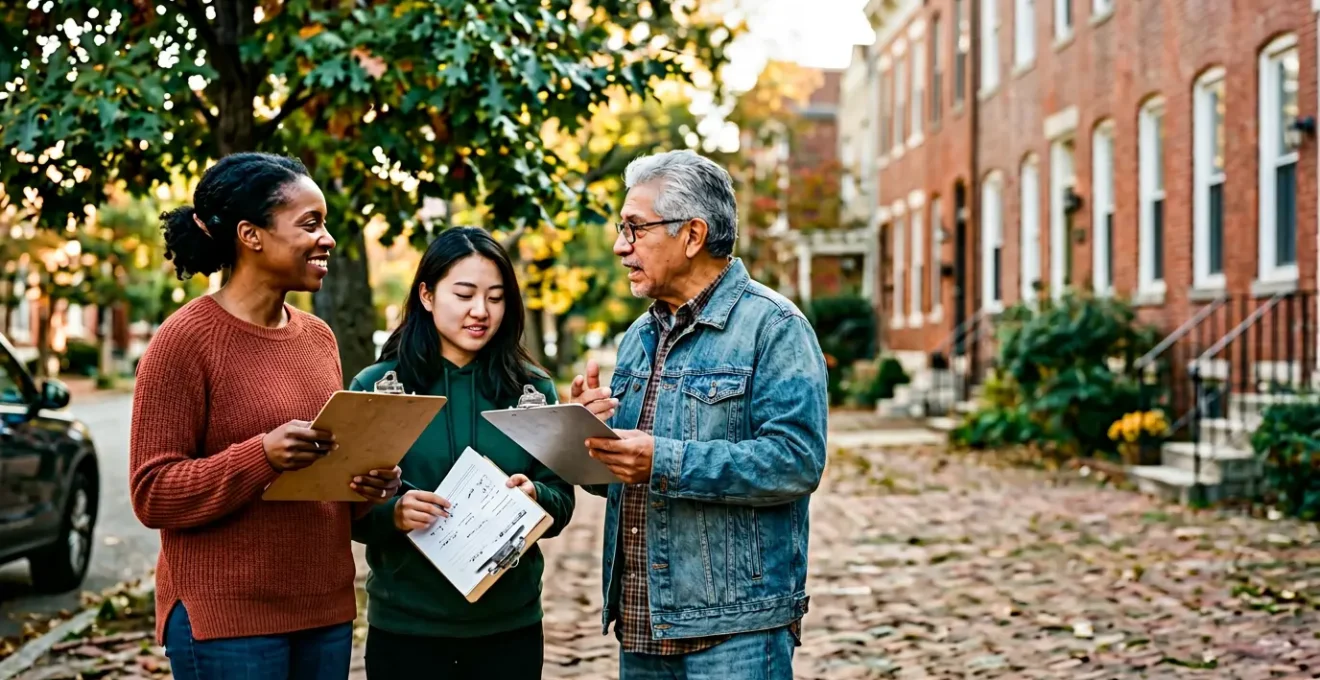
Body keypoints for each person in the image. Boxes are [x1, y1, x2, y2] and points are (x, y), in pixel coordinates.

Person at [129, 152, 402, 680]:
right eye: (310, 224)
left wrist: (367, 483)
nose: (327, 240)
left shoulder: (318, 338)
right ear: (251, 235)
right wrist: (262, 456)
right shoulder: (182, 341)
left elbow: (325, 484)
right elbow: (152, 492)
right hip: (228, 621)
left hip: (325, 610)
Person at [574, 149, 829, 679]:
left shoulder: (774, 326)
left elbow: (796, 461)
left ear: (692, 235)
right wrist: (586, 439)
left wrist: (662, 460)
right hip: (642, 621)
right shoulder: (637, 340)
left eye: (635, 228)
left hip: (735, 629)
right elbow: (617, 483)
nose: (621, 246)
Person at [349, 226, 600, 679]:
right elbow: (348, 510)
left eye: (496, 297)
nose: (481, 311)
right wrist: (395, 513)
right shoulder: (378, 388)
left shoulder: (531, 390)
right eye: (463, 294)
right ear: (426, 295)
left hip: (509, 626)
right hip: (407, 627)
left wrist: (536, 498)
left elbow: (562, 502)